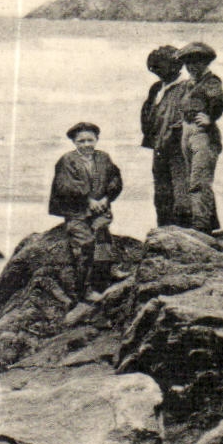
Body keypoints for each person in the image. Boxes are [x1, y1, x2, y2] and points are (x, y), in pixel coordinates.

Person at [49, 122, 124, 302]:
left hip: (100, 211)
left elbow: (115, 179)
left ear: (96, 140)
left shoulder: (104, 158)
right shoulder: (67, 160)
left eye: (90, 140)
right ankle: (86, 290)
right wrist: (88, 200)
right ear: (74, 142)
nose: (86, 145)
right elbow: (65, 187)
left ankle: (108, 272)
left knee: (103, 238)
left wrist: (106, 198)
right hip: (77, 212)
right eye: (81, 141)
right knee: (86, 245)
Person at [177, 41, 223, 233]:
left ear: (205, 63)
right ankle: (208, 222)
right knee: (194, 177)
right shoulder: (189, 84)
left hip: (203, 134)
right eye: (188, 63)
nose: (192, 67)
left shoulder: (211, 81)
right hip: (187, 131)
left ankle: (201, 223)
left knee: (199, 180)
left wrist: (210, 117)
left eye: (196, 62)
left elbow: (220, 102)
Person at [139, 45, 189, 227]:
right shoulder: (157, 87)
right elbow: (147, 113)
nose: (155, 72)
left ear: (176, 66)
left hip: (180, 148)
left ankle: (190, 231)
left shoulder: (187, 86)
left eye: (159, 67)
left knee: (182, 192)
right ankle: (165, 230)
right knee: (161, 193)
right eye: (153, 68)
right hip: (160, 147)